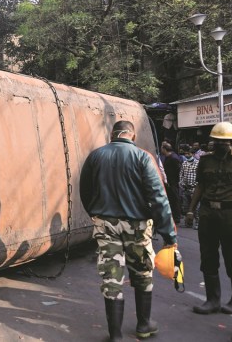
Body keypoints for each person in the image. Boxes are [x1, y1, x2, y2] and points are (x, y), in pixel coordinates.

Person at [80, 120, 177, 341]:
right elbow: (158, 197)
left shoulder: (95, 156)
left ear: (111, 135)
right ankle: (144, 325)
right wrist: (168, 235)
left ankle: (115, 335)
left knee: (111, 278)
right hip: (138, 226)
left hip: (106, 225)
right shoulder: (143, 157)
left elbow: (85, 190)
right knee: (142, 273)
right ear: (132, 136)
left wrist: (95, 214)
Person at [186, 122, 232, 315]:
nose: (220, 145)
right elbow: (200, 186)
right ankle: (212, 300)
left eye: (224, 142)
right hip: (207, 213)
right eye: (216, 141)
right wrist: (190, 210)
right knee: (208, 256)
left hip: (231, 215)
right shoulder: (205, 161)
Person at [161, 143, 182, 223]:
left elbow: (178, 171)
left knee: (175, 199)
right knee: (171, 200)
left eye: (162, 148)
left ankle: (176, 217)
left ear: (164, 149)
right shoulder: (168, 157)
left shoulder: (173, 158)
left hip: (173, 182)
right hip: (169, 182)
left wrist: (175, 181)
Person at [179, 145, 199, 229]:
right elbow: (181, 174)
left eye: (189, 153)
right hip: (185, 188)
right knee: (186, 206)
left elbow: (199, 175)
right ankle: (188, 222)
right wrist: (181, 183)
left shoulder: (197, 163)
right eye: (186, 154)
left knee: (196, 207)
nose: (187, 155)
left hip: (194, 188)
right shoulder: (184, 163)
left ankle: (198, 222)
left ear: (193, 154)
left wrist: (197, 184)